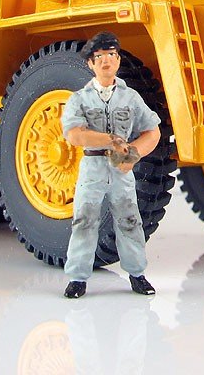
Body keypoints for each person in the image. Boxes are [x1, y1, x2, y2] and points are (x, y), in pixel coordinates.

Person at [61, 32, 161, 298]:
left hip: (121, 168)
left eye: (112, 55)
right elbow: (74, 135)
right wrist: (109, 140)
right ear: (90, 63)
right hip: (92, 165)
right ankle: (77, 278)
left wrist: (133, 154)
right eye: (99, 57)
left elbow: (153, 131)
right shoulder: (80, 99)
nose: (106, 61)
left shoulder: (130, 98)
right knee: (84, 220)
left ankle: (137, 274)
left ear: (118, 60)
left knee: (129, 220)